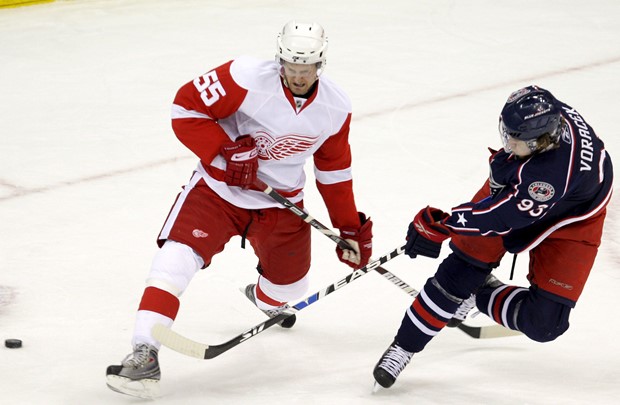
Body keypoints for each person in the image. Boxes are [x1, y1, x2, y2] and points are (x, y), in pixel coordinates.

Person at [105, 20, 373, 399]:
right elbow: (186, 108)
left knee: (290, 290)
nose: (298, 75)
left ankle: (263, 297)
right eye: (291, 67)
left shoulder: (335, 107)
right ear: (279, 58)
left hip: (281, 204)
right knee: (174, 262)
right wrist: (223, 152)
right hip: (216, 194)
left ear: (320, 64)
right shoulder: (244, 76)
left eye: (306, 68)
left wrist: (348, 229)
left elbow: (333, 172)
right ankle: (143, 353)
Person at [373, 85, 613, 389]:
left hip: (572, 223)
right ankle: (403, 347)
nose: (507, 142)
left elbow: (500, 217)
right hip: (523, 194)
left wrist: (446, 224)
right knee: (458, 274)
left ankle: (479, 293)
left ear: (540, 142)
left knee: (546, 323)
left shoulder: (551, 175)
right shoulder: (551, 114)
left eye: (514, 138)